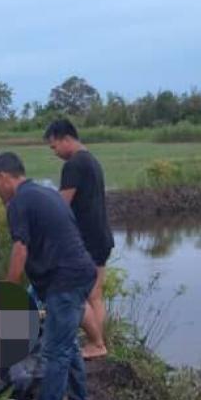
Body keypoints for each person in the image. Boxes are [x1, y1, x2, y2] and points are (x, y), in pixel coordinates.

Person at [0, 152, 97, 400]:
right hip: (80, 273)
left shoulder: (19, 203)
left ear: (3, 177)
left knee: (54, 350)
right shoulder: (46, 193)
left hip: (66, 279)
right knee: (67, 340)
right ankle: (80, 398)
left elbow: (20, 250)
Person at [45, 118, 115, 359]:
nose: (55, 153)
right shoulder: (91, 159)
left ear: (66, 139)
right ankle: (99, 341)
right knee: (94, 294)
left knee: (77, 293)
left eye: (54, 147)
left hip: (86, 241)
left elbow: (61, 205)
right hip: (101, 237)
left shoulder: (74, 164)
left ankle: (96, 343)